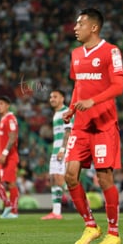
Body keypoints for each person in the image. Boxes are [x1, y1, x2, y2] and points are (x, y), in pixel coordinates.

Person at [62, 8, 123, 244]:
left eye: (80, 24)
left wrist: (93, 101)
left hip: (104, 125)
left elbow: (118, 87)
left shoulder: (111, 52)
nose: (75, 28)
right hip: (81, 126)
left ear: (94, 28)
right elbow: (79, 85)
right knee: (69, 175)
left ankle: (114, 233)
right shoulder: (75, 54)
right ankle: (90, 226)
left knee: (104, 178)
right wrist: (71, 107)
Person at [41, 90, 73, 220]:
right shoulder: (56, 113)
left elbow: (68, 131)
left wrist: (62, 149)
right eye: (50, 97)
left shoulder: (66, 111)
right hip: (55, 149)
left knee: (60, 179)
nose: (52, 99)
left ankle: (81, 198)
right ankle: (56, 212)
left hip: (62, 149)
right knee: (54, 179)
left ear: (62, 98)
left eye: (55, 97)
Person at [0, 96, 20, 219]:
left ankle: (14, 211)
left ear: (7, 105)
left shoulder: (11, 119)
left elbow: (12, 137)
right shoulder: (3, 119)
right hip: (1, 156)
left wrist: (5, 153)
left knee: (11, 183)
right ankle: (7, 204)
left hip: (9, 156)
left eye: (1, 104)